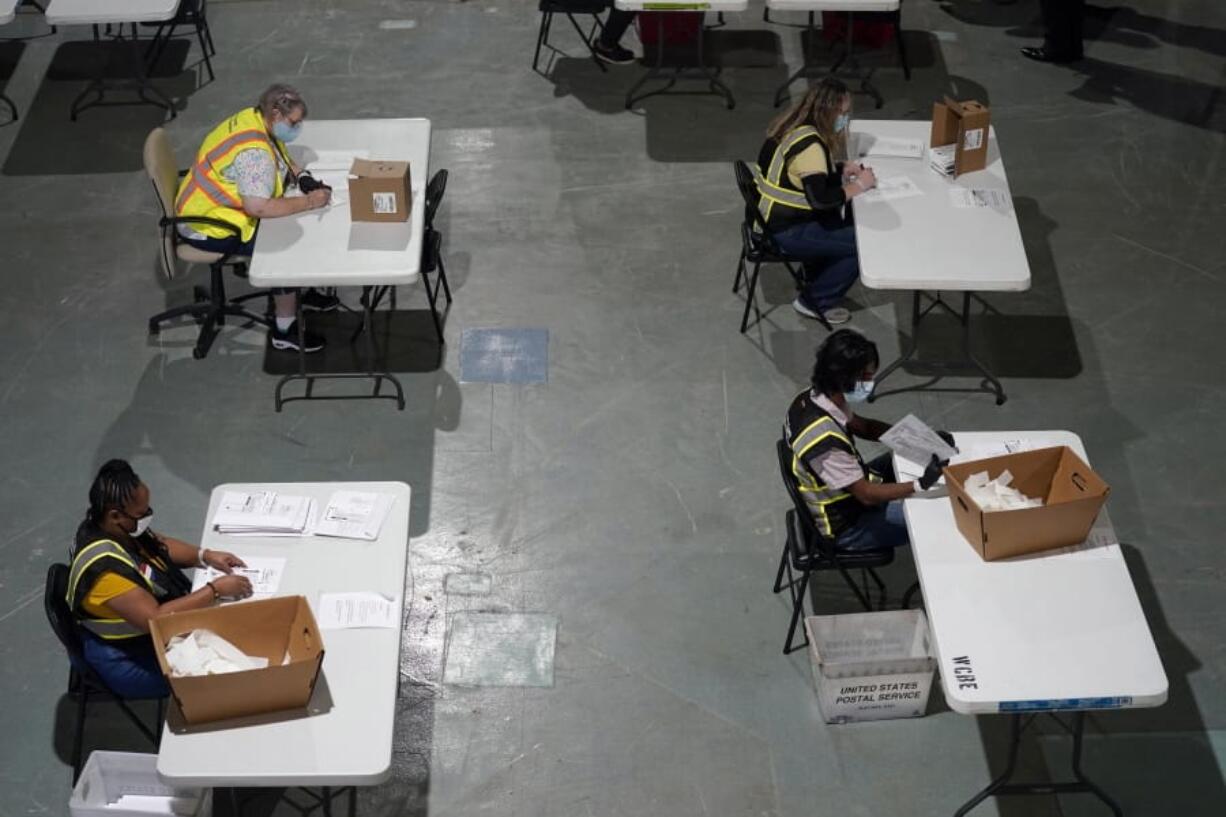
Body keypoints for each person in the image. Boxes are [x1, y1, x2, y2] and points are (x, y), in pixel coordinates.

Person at [66, 460, 253, 698]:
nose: (147, 518)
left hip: (146, 637)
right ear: (115, 516)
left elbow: (159, 546)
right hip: (127, 657)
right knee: (220, 680)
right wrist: (214, 590)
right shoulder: (106, 573)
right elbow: (156, 619)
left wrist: (205, 556)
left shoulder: (112, 526)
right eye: (141, 514)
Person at [175, 83, 338, 353]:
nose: (298, 128)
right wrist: (309, 201)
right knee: (285, 249)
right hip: (208, 224)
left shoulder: (253, 118)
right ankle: (284, 330)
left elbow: (278, 153)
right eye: (295, 122)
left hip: (201, 203)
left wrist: (304, 179)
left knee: (293, 224)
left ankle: (299, 293)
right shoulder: (254, 154)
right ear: (275, 115)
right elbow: (258, 208)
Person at [783, 330, 949, 552]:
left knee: (899, 458)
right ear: (845, 378)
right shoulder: (824, 444)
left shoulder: (815, 397)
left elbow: (866, 427)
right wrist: (921, 484)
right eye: (866, 377)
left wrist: (920, 440)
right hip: (848, 526)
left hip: (849, 489)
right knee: (935, 516)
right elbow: (866, 495)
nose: (871, 382)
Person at [755, 78, 878, 325]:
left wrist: (839, 168)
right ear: (828, 112)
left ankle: (814, 273)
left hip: (768, 219)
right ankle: (814, 301)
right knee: (862, 248)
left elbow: (800, 176)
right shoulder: (810, 147)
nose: (845, 119)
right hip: (785, 231)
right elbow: (820, 200)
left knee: (845, 228)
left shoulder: (793, 124)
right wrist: (860, 185)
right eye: (842, 113)